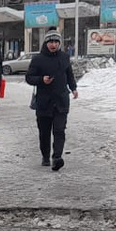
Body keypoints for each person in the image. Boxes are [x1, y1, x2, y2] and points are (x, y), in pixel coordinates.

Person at [25, 30, 78, 171]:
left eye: (56, 42)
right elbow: (29, 78)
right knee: (44, 132)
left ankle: (57, 158)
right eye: (50, 42)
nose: (53, 45)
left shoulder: (65, 57)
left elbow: (69, 75)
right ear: (46, 43)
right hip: (44, 102)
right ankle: (45, 156)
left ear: (59, 43)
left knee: (60, 130)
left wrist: (73, 88)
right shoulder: (38, 59)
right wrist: (41, 79)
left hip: (61, 100)